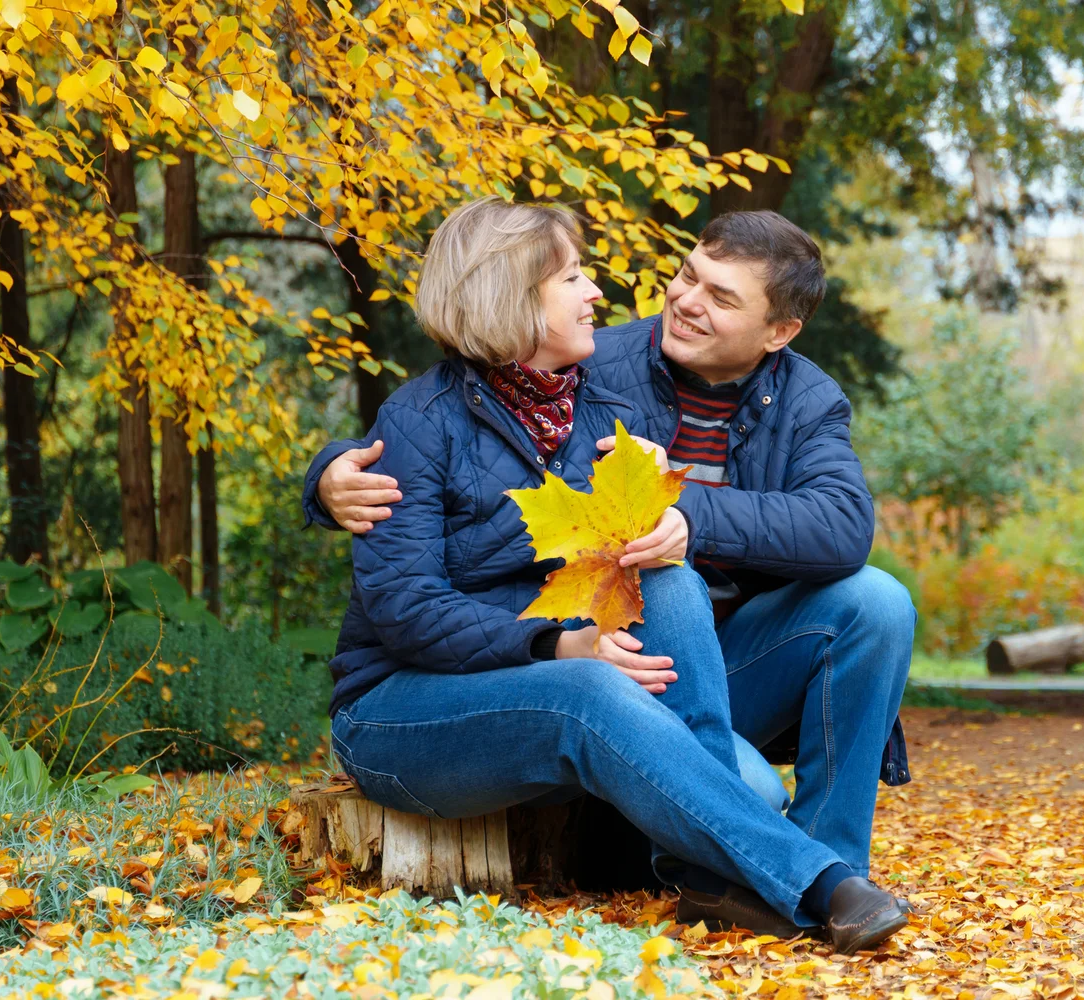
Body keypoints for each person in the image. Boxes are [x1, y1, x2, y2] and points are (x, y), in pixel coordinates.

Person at [312, 204, 914, 941]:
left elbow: (842, 527)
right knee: (718, 769)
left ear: (778, 331)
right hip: (440, 691)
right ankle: (813, 882)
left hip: (657, 662)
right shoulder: (567, 377)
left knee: (736, 590)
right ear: (515, 297)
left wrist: (684, 512)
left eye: (722, 297)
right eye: (574, 277)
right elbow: (410, 573)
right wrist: (324, 477)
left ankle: (770, 868)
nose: (678, 301)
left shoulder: (608, 407)